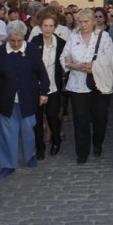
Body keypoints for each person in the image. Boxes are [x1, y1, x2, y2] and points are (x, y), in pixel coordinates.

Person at [0, 20, 50, 179]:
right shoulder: (0, 52)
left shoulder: (32, 50)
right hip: (6, 99)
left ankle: (29, 155)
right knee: (7, 133)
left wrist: (44, 92)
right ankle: (8, 164)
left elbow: (42, 73)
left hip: (28, 98)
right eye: (12, 40)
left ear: (23, 38)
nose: (15, 44)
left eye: (19, 40)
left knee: (28, 130)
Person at [61, 9, 113, 164]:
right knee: (80, 119)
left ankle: (98, 143)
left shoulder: (103, 37)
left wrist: (94, 65)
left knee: (100, 118)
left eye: (86, 21)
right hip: (78, 84)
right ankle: (82, 152)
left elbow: (112, 58)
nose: (83, 25)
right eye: (80, 22)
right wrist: (75, 66)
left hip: (98, 82)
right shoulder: (73, 37)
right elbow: (64, 58)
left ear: (93, 22)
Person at [30, 11, 66, 159]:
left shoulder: (61, 43)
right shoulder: (34, 42)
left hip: (54, 85)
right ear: (41, 26)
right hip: (36, 86)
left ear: (55, 27)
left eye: (51, 26)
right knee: (37, 119)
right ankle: (39, 148)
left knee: (52, 115)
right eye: (45, 25)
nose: (48, 29)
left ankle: (56, 142)